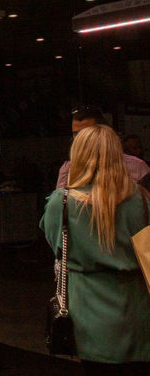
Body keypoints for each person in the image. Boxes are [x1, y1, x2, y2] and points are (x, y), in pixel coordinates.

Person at [41, 124, 150, 375]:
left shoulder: (62, 203)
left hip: (87, 316)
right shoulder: (141, 200)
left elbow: (55, 245)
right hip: (137, 313)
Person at [57, 108, 150, 188]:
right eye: (76, 134)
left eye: (87, 133)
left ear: (103, 131)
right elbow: (60, 202)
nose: (80, 139)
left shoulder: (137, 167)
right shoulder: (68, 169)